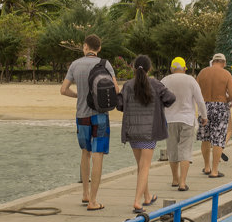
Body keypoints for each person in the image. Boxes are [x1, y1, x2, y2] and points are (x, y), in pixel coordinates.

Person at [60, 34, 119, 211]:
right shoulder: (105, 64)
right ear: (99, 48)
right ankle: (93, 201)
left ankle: (85, 193)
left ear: (85, 47)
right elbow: (115, 89)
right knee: (97, 154)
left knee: (85, 152)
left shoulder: (75, 64)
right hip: (100, 115)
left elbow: (63, 90)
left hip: (81, 116)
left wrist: (78, 95)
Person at [117, 55, 175, 212]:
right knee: (145, 167)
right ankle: (137, 201)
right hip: (149, 132)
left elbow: (120, 105)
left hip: (133, 132)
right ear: (150, 69)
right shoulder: (155, 84)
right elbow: (171, 98)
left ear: (134, 68)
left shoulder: (128, 85)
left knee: (141, 166)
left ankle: (147, 196)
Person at [161, 57, 207, 192]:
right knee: (185, 150)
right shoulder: (191, 80)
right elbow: (200, 100)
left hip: (169, 119)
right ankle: (182, 183)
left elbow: (159, 100)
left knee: (172, 149)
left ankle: (175, 179)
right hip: (187, 119)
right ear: (185, 68)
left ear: (171, 69)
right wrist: (204, 116)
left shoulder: (164, 80)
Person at [195, 52, 232, 178]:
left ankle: (206, 167)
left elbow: (196, 91)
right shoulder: (226, 74)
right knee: (218, 138)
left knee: (205, 138)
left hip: (204, 106)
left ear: (213, 61)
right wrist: (226, 101)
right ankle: (215, 171)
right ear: (223, 62)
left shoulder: (202, 73)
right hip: (220, 107)